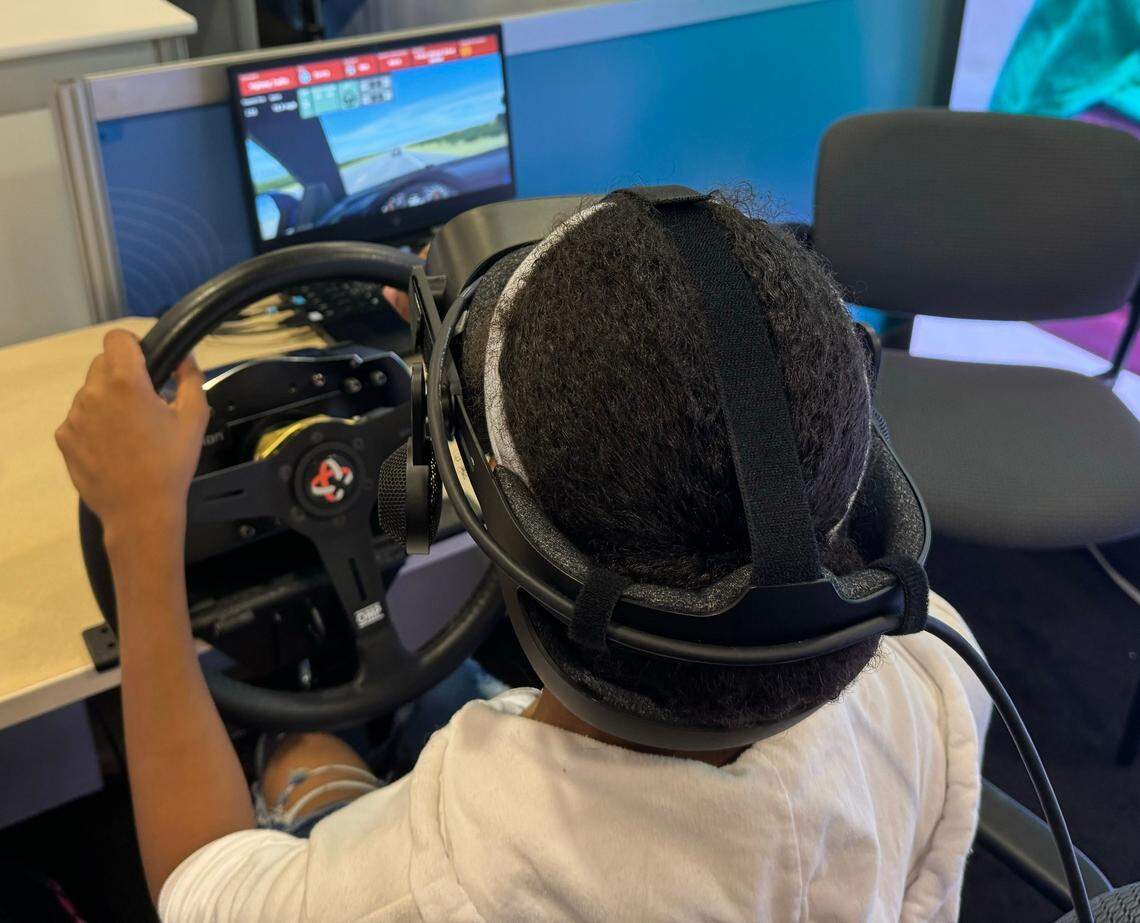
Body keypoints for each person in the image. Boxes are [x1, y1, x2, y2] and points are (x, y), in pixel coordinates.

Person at [56, 191, 991, 922]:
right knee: (441, 685)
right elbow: (714, 358)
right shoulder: (936, 663)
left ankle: (303, 760)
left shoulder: (449, 877)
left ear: (500, 515)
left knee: (306, 745)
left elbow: (198, 882)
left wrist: (140, 528)